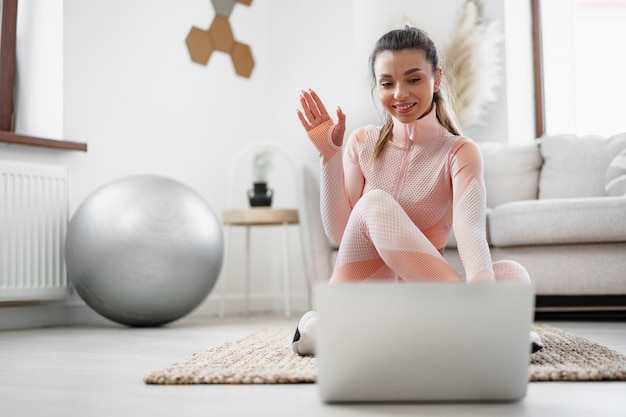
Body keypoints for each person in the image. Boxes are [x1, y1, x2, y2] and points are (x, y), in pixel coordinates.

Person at [291, 26, 542, 356]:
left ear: (436, 79)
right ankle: (481, 325)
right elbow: (339, 232)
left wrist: (484, 289)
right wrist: (329, 156)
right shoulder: (362, 143)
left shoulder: (459, 152)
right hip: (363, 294)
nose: (399, 93)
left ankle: (333, 330)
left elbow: (470, 232)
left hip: (420, 297)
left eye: (413, 79)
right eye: (387, 83)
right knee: (374, 203)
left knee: (512, 276)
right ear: (376, 87)